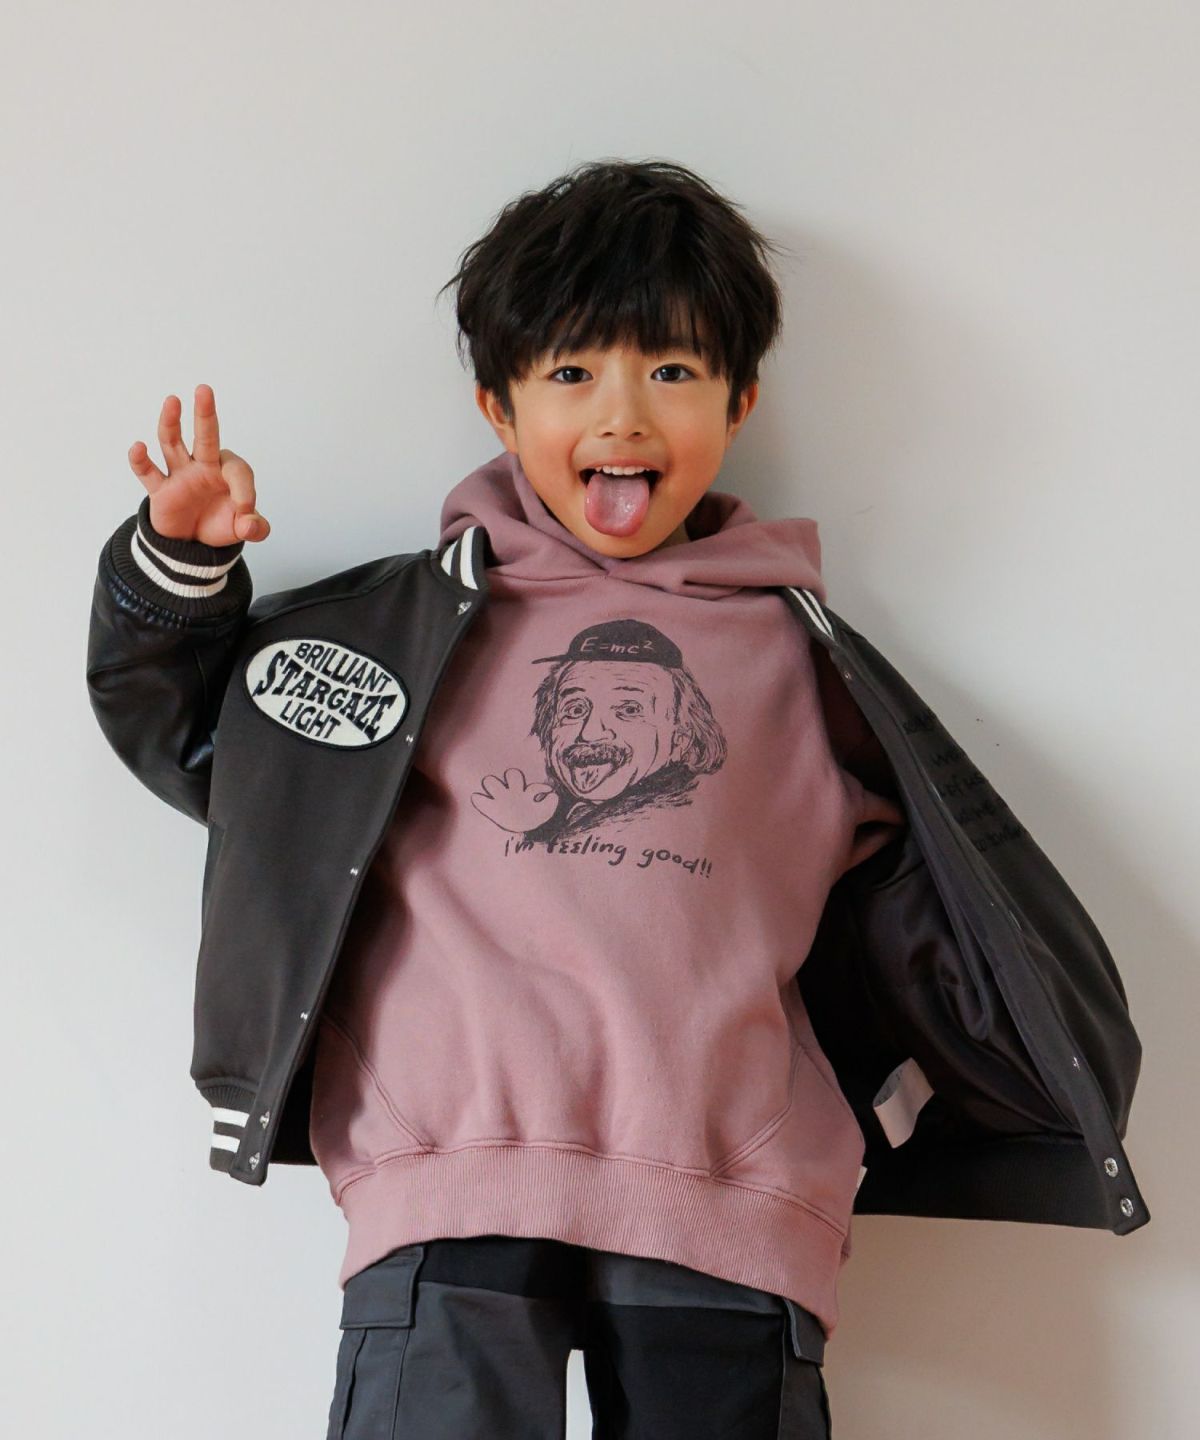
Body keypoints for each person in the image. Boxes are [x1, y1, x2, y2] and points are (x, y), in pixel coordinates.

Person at [87, 158, 1146, 1437]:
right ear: (498, 403)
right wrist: (179, 569)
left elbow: (927, 899)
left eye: (675, 370)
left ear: (741, 400)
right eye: (574, 373)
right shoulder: (403, 635)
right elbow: (206, 745)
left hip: (730, 1197)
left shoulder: (801, 659)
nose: (624, 415)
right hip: (449, 1180)